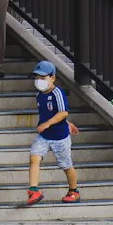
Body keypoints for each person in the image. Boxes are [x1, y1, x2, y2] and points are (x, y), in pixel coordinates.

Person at [27, 60, 80, 206]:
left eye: (43, 78)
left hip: (59, 137)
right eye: (37, 78)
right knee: (34, 157)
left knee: (66, 165)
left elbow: (63, 112)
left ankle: (74, 191)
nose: (39, 82)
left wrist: (49, 124)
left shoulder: (57, 93)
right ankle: (33, 190)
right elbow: (51, 113)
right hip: (44, 136)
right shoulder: (39, 95)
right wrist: (65, 122)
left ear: (53, 78)